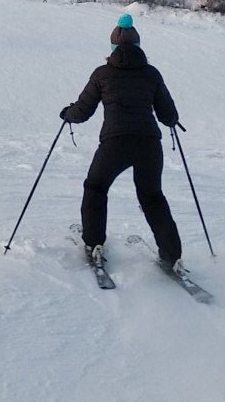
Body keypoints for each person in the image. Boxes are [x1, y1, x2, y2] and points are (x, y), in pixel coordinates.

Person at [59, 14, 185, 271]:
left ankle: (93, 243)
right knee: (152, 196)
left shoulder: (103, 74)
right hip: (149, 144)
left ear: (113, 48)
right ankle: (172, 256)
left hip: (115, 143)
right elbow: (168, 114)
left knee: (95, 187)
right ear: (138, 46)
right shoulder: (151, 74)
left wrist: (67, 113)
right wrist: (172, 120)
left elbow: (82, 111)